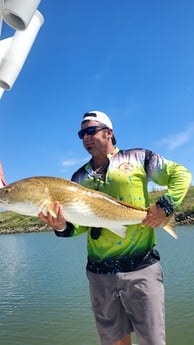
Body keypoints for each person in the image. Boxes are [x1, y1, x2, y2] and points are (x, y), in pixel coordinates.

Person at [39, 110, 192, 345]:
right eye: (82, 134)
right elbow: (79, 225)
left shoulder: (139, 157)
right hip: (99, 274)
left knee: (152, 341)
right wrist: (62, 226)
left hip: (142, 269)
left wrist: (165, 206)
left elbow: (181, 174)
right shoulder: (78, 178)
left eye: (91, 131)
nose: (86, 138)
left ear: (109, 132)